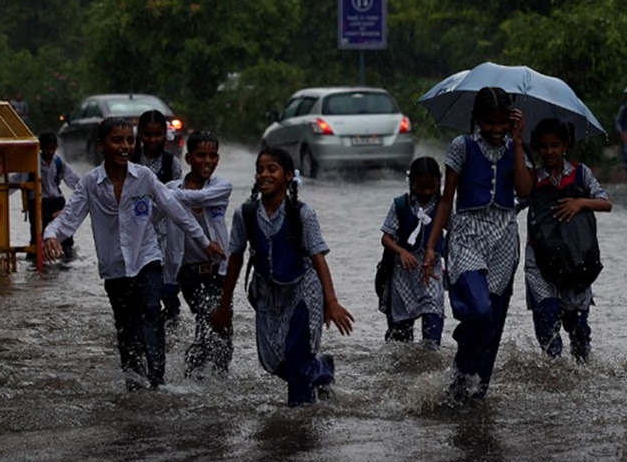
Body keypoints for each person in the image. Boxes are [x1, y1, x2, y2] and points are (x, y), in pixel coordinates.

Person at [42, 117, 225, 391]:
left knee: (152, 311)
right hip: (114, 267)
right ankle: (134, 384)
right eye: (117, 140)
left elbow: (175, 211)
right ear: (101, 145)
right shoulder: (90, 183)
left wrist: (204, 241)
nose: (125, 146)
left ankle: (157, 382)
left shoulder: (144, 177)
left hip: (147, 258)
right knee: (126, 327)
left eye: (129, 140)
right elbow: (69, 217)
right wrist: (51, 235)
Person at [209, 146, 353, 407]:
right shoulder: (247, 214)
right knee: (272, 361)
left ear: (288, 176)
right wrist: (224, 305)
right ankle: (322, 368)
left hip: (303, 291)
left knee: (297, 358)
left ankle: (298, 425)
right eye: (260, 170)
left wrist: (331, 302)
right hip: (268, 293)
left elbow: (319, 257)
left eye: (271, 169)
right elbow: (236, 258)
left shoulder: (302, 213)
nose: (264, 174)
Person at [422, 87, 532, 404]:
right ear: (477, 120)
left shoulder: (514, 147)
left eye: (502, 122)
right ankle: (460, 370)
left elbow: (524, 189)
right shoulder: (462, 147)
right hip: (468, 234)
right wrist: (432, 247)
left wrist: (520, 141)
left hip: (504, 237)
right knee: (480, 311)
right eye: (489, 122)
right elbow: (446, 201)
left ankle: (474, 394)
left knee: (494, 324)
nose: (496, 129)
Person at [524, 118, 613, 361]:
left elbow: (606, 203)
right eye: (543, 146)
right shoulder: (531, 178)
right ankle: (553, 374)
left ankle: (578, 375)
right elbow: (513, 205)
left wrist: (581, 202)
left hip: (576, 259)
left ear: (565, 145)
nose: (549, 151)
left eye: (555, 145)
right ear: (536, 148)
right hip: (540, 262)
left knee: (579, 330)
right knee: (547, 317)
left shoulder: (580, 174)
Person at [166, 131, 234, 379]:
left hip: (220, 271)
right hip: (189, 273)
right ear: (188, 158)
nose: (208, 161)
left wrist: (168, 197)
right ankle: (194, 374)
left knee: (223, 328)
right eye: (201, 155)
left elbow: (202, 197)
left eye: (213, 156)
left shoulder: (220, 187)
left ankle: (217, 378)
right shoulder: (171, 187)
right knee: (206, 319)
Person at [378, 156, 446, 348]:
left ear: (439, 183)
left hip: (430, 272)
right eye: (420, 187)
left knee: (433, 322)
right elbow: (386, 237)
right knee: (400, 338)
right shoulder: (400, 205)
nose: (426, 192)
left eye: (431, 187)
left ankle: (429, 364)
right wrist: (401, 252)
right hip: (402, 274)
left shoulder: (443, 206)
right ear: (411, 183)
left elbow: (455, 234)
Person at [131, 109, 184, 326]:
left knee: (168, 281)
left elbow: (178, 199)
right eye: (147, 134)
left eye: (157, 134)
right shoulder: (131, 160)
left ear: (165, 134)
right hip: (137, 231)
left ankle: (170, 317)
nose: (152, 140)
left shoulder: (171, 163)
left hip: (166, 231)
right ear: (140, 135)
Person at [30, 131, 82, 260]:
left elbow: (73, 179)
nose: (49, 152)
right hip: (38, 203)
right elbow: (17, 179)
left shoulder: (59, 162)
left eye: (52, 149)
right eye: (46, 149)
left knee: (64, 231)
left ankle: (67, 254)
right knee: (37, 234)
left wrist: (88, 192)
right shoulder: (32, 162)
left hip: (56, 201)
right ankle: (34, 257)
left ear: (56, 147)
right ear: (40, 148)